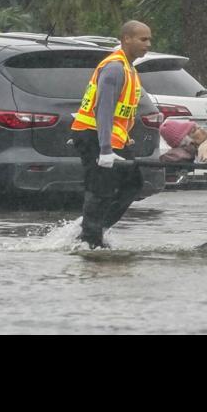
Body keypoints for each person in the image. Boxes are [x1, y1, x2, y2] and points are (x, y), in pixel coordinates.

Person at [66, 19, 152, 247]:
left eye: (149, 39)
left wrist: (125, 137)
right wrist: (104, 150)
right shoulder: (115, 68)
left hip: (111, 138)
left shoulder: (129, 68)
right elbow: (102, 109)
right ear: (126, 39)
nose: (148, 44)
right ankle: (90, 243)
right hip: (95, 137)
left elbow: (120, 113)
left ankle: (90, 229)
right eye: (143, 39)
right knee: (100, 190)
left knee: (132, 184)